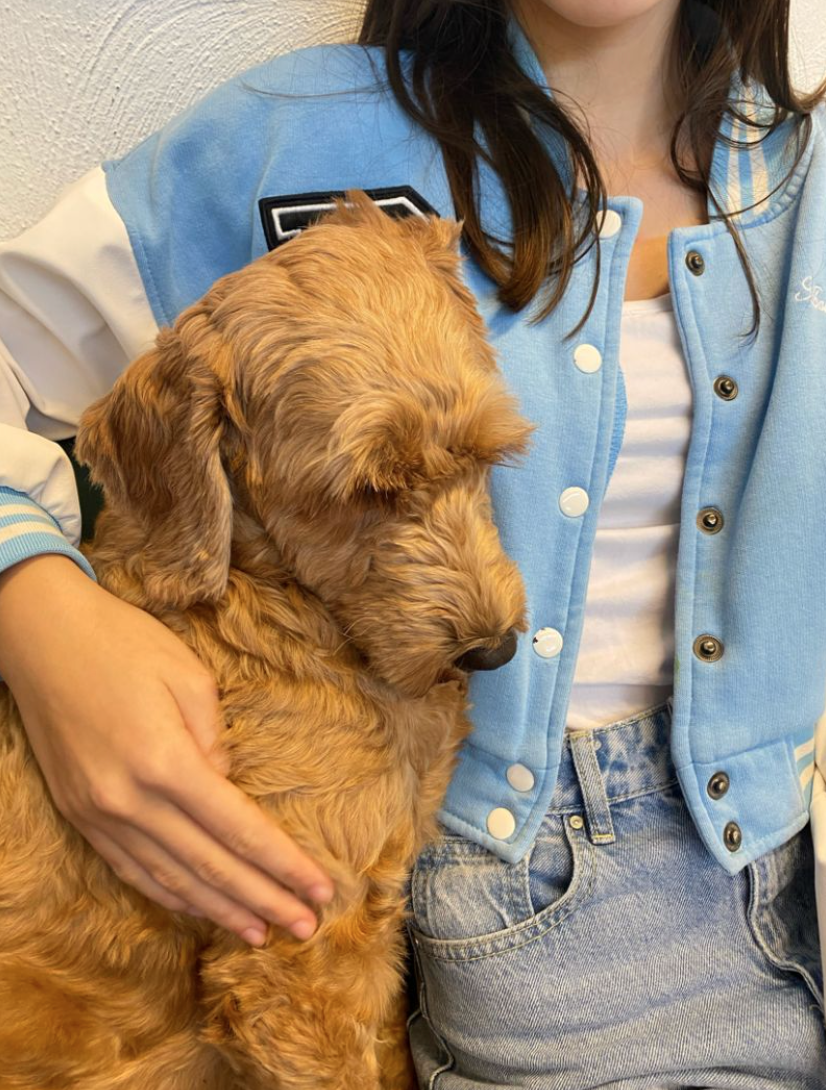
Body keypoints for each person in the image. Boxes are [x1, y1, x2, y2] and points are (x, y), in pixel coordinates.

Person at [1, 0, 825, 1083]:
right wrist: (34, 603)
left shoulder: (808, 183)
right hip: (510, 928)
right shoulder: (281, 143)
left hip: (789, 889)